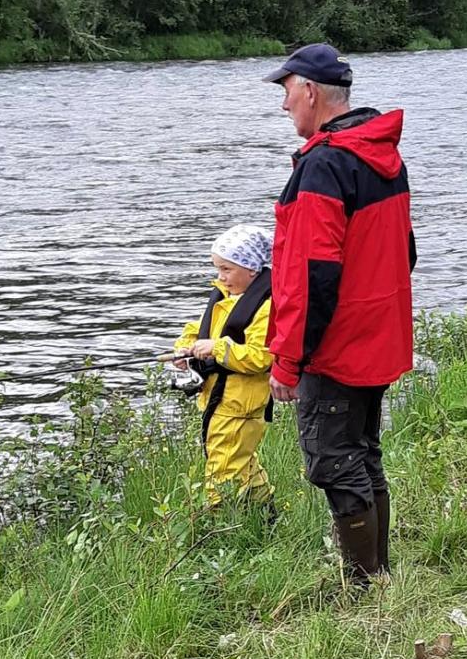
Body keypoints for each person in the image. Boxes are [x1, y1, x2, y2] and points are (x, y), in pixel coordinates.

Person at [262, 43, 415, 584]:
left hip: (337, 346)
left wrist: (287, 361)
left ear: (308, 90)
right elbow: (406, 252)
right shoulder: (380, 154)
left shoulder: (325, 164)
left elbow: (312, 277)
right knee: (361, 452)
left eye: (285, 92)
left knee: (333, 459)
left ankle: (365, 589)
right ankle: (378, 578)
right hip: (377, 335)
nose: (284, 106)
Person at [169, 224, 276, 511]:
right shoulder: (227, 296)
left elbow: (261, 357)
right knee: (242, 462)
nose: (221, 276)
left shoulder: (266, 307)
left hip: (240, 405)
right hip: (220, 399)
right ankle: (266, 514)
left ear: (251, 268)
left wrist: (215, 348)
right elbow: (199, 328)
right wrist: (186, 346)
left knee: (223, 468)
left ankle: (219, 525)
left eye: (227, 269)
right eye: (218, 268)